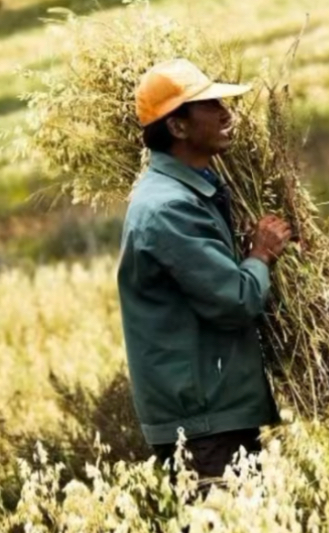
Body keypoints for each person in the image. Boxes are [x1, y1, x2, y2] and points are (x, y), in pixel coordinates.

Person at [117, 58, 292, 483]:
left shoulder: (190, 191)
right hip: (201, 418)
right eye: (210, 106)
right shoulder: (169, 208)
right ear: (177, 127)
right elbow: (235, 299)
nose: (226, 114)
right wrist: (262, 254)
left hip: (214, 407)